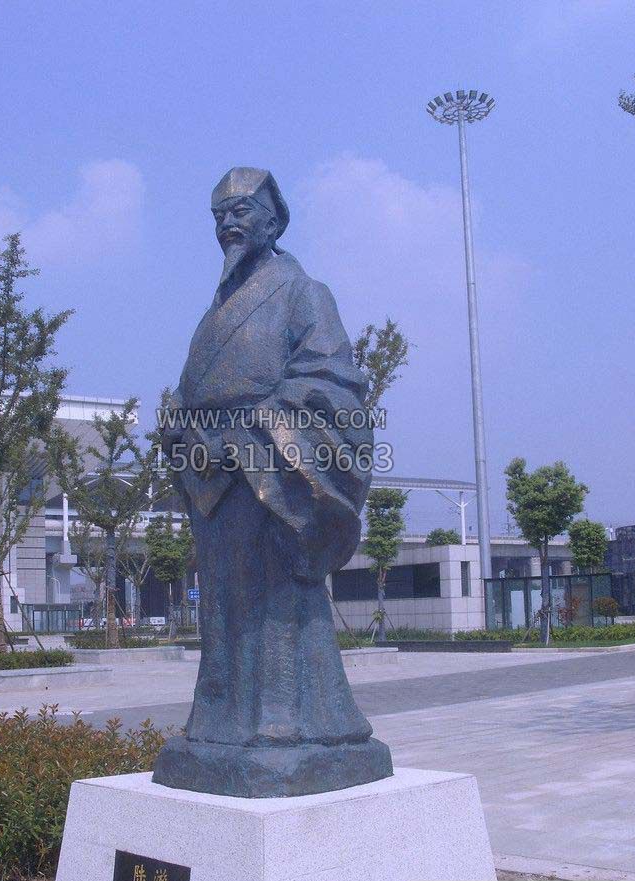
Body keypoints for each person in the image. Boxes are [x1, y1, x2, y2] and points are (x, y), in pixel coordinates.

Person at [153, 168, 391, 797]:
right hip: (212, 479)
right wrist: (183, 432)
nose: (228, 223)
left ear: (274, 220)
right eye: (219, 214)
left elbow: (329, 382)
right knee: (222, 607)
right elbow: (194, 391)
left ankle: (293, 728)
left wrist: (246, 434)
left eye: (242, 211)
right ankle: (220, 725)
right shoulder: (216, 311)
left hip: (269, 476)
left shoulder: (304, 293)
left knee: (276, 604)